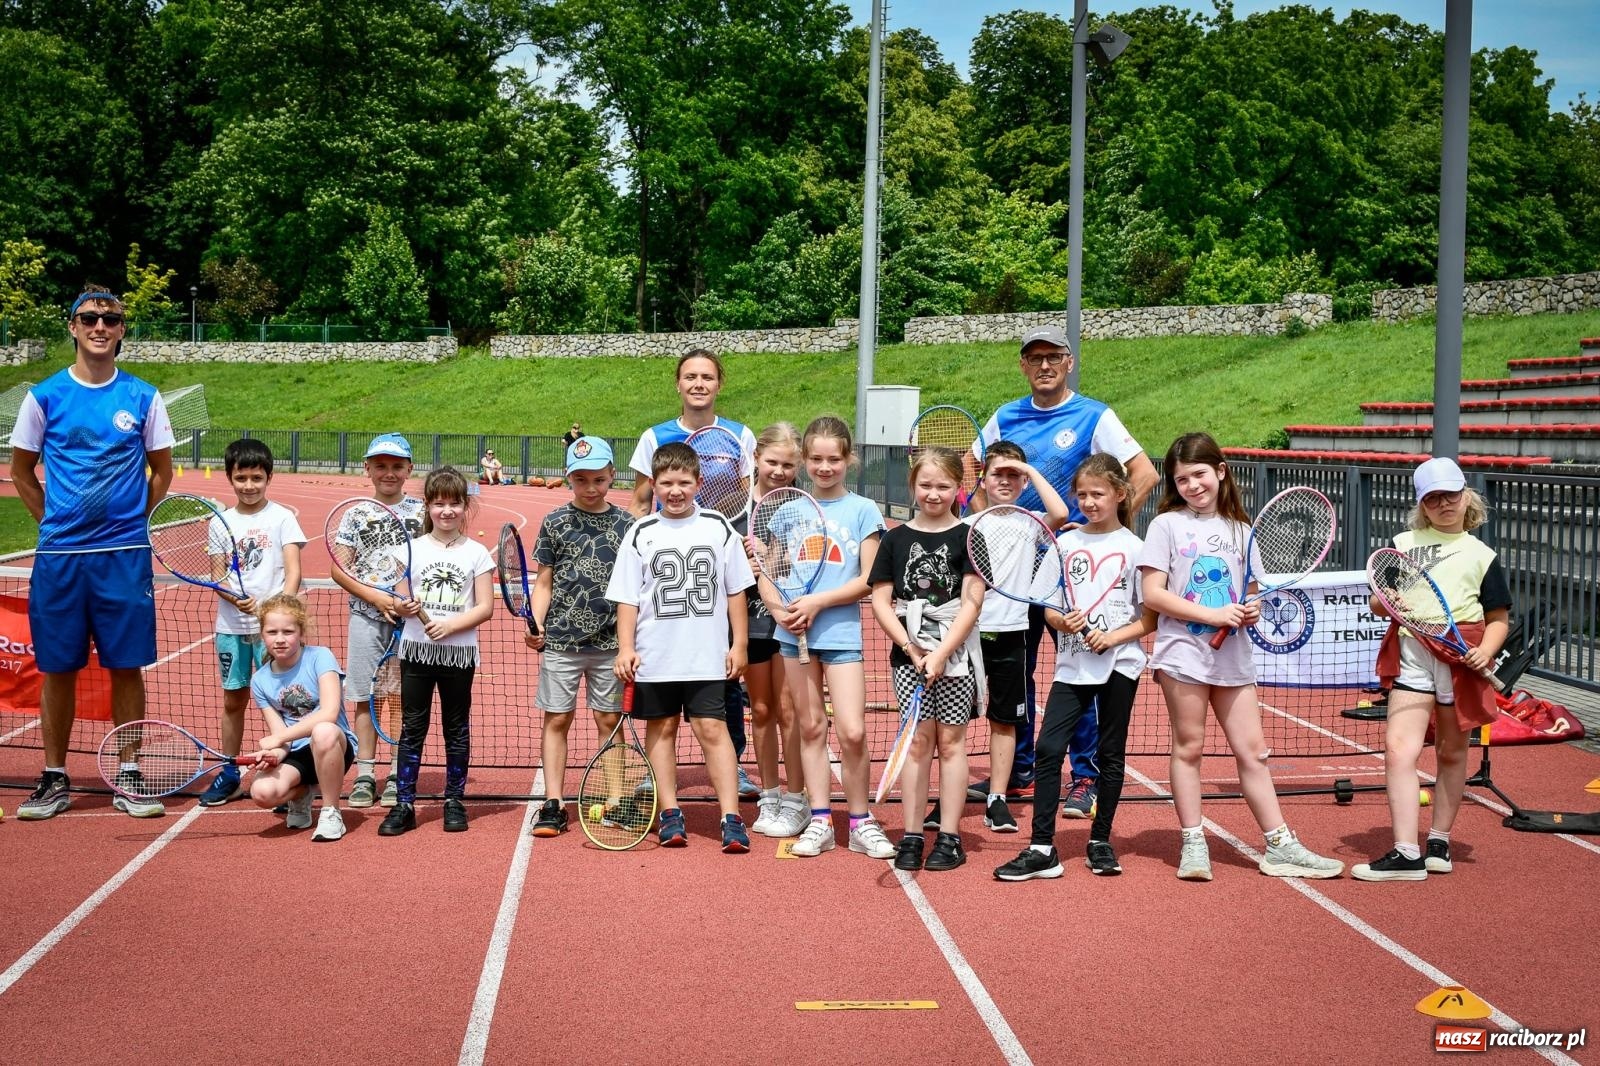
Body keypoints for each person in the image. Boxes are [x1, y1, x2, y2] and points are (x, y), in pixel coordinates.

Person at [1137, 432, 1344, 881]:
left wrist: (1250, 609)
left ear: (1221, 471)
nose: (1193, 485)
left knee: (1254, 753)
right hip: (1183, 655)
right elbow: (1153, 594)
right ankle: (1193, 842)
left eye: (1199, 475)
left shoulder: (1243, 531)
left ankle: (1280, 845)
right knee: (1188, 748)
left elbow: (1250, 593)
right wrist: (1212, 613)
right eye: (1182, 479)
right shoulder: (1165, 526)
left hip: (1233, 658)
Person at [973, 326, 1160, 815]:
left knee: (1080, 671)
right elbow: (974, 479)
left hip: (1075, 569)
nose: (1044, 366)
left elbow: (1143, 474)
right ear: (1022, 365)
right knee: (1017, 673)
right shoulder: (1004, 416)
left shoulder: (1094, 415)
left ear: (1069, 362)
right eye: (1034, 358)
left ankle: (1085, 776)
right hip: (1013, 572)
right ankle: (1021, 769)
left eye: (1053, 356)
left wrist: (1106, 530)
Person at [12, 287, 175, 821]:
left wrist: (130, 522)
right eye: (90, 317)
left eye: (111, 318)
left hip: (124, 555)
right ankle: (55, 777)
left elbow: (163, 472)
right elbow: (21, 472)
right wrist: (55, 524)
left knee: (126, 667)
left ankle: (128, 774)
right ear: (73, 326)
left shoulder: (144, 397)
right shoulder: (44, 397)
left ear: (123, 329)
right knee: (57, 668)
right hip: (60, 558)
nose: (100, 325)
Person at [995, 454, 1155, 881]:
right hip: (1072, 665)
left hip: (1121, 663)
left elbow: (1150, 618)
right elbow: (1046, 606)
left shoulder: (1137, 550)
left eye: (1098, 494)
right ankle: (1042, 846)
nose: (1089, 501)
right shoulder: (1064, 544)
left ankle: (1100, 841)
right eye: (1082, 494)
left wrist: (1114, 637)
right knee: (1049, 749)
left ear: (1120, 494)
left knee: (1110, 753)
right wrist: (1061, 620)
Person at [1353, 457, 1509, 881]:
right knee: (1399, 750)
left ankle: (1438, 841)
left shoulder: (1482, 555)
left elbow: (1498, 618)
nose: (1444, 503)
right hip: (1412, 654)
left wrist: (1486, 651)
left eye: (1451, 494)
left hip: (1460, 659)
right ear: (1422, 504)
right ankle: (1406, 852)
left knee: (1452, 752)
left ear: (1466, 496)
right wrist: (1387, 602)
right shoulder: (1401, 544)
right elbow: (1376, 599)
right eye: (1433, 497)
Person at [605, 442, 754, 852]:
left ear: (698, 483)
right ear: (653, 484)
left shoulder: (718, 526)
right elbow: (628, 598)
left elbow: (737, 591)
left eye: (684, 483)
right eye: (667, 483)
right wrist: (625, 648)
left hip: (706, 656)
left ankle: (730, 816)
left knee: (713, 729)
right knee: (663, 728)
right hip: (655, 656)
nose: (675, 491)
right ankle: (670, 811)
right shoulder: (640, 532)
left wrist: (738, 644)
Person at [627, 349, 761, 797]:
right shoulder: (655, 436)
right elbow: (641, 501)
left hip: (715, 562)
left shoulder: (739, 435)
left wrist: (742, 543)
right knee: (663, 674)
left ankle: (734, 765)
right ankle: (658, 776)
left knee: (723, 678)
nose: (698, 384)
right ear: (678, 384)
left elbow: (748, 499)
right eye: (690, 377)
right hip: (667, 567)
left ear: (719, 383)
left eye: (707, 376)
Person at [761, 416, 891, 859]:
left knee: (853, 731)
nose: (824, 466)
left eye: (833, 458)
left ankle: (860, 821)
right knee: (811, 727)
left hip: (839, 634)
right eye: (815, 458)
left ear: (848, 459)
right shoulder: (788, 509)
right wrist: (781, 610)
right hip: (792, 635)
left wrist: (817, 603)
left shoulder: (863, 510)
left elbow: (871, 579)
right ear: (804, 460)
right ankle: (819, 819)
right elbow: (771, 573)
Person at [926, 442, 1070, 834]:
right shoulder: (969, 524)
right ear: (983, 480)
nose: (1005, 481)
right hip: (966, 634)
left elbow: (1060, 512)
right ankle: (946, 797)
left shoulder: (1032, 522)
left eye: (1013, 475)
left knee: (1004, 720)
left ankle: (997, 799)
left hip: (1013, 634)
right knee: (951, 722)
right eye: (997, 474)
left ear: (1023, 481)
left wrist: (1027, 468)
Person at [869, 447, 985, 872]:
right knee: (917, 744)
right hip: (910, 658)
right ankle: (913, 834)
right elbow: (882, 600)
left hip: (955, 659)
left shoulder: (970, 537)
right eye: (926, 485)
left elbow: (972, 602)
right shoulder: (894, 539)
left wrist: (941, 652)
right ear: (912, 486)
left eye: (943, 486)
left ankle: (950, 837)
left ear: (959, 488)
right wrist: (911, 648)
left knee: (952, 743)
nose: (934, 494)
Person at [526, 436, 635, 837]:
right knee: (558, 719)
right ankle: (553, 802)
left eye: (600, 479)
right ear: (568, 478)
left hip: (611, 645)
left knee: (609, 721)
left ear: (612, 476)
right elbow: (544, 583)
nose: (591, 488)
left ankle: (617, 799)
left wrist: (629, 642)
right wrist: (535, 623)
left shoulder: (627, 525)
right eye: (582, 480)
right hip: (561, 642)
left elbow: (634, 588)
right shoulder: (555, 522)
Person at [378, 467, 495, 836]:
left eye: (454, 503)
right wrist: (403, 608)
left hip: (457, 655)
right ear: (427, 506)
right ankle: (405, 804)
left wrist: (450, 625)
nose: (447, 511)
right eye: (438, 503)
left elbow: (484, 607)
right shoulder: (407, 551)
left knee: (456, 728)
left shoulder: (477, 553)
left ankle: (454, 800)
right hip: (416, 652)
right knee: (413, 727)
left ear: (465, 506)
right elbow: (397, 600)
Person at [198, 438, 307, 806]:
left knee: (285, 702)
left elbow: (293, 572)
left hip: (273, 631)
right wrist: (236, 599)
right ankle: (229, 771)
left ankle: (289, 770)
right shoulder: (220, 523)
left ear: (269, 477)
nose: (248, 485)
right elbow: (218, 577)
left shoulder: (282, 518)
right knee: (234, 701)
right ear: (230, 477)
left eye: (256, 477)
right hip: (232, 628)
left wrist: (274, 611)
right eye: (241, 477)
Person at [332, 433, 425, 811]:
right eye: (381, 465)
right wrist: (375, 597)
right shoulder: (355, 513)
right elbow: (341, 568)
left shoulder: (422, 512)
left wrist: (406, 603)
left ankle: (396, 773)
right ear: (367, 468)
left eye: (396, 466)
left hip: (410, 622)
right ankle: (365, 773)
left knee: (401, 699)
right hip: (366, 618)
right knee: (364, 697)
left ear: (408, 470)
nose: (389, 473)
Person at [245, 594, 357, 841]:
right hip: (296, 753)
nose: (280, 639)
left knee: (323, 730)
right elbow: (281, 739)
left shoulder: (320, 657)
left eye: (288, 631)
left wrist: (277, 739)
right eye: (272, 632)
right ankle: (302, 794)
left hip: (333, 746)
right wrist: (274, 753)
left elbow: (329, 712)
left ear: (301, 631)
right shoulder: (260, 680)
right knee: (262, 793)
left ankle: (331, 812)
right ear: (262, 635)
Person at [745, 423, 810, 838]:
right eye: (772, 461)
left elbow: (811, 560)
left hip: (789, 616)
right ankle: (769, 793)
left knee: (791, 711)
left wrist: (775, 561)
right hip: (747, 618)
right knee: (763, 709)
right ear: (756, 459)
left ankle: (797, 796)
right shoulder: (736, 504)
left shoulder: (804, 505)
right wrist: (743, 563)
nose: (780, 471)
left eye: (789, 464)